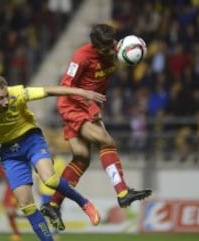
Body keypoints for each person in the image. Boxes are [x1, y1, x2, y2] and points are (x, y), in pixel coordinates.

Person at [0, 75, 106, 241]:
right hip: (10, 153)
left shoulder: (17, 93)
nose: (7, 101)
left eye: (7, 96)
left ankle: (84, 204)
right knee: (26, 205)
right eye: (1, 98)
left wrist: (83, 93)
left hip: (31, 140)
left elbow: (49, 91)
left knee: (50, 179)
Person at [40, 23, 152, 230]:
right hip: (73, 106)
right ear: (96, 47)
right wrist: (89, 105)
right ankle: (122, 192)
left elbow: (123, 55)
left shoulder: (117, 49)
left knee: (82, 159)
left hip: (91, 106)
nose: (112, 50)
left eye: (113, 45)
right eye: (107, 48)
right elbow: (66, 87)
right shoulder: (81, 57)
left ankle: (53, 204)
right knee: (107, 141)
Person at [0, 163, 22, 241]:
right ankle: (16, 234)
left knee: (10, 212)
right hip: (8, 190)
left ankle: (29, 217)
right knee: (9, 214)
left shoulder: (16, 163)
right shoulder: (0, 164)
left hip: (15, 190)